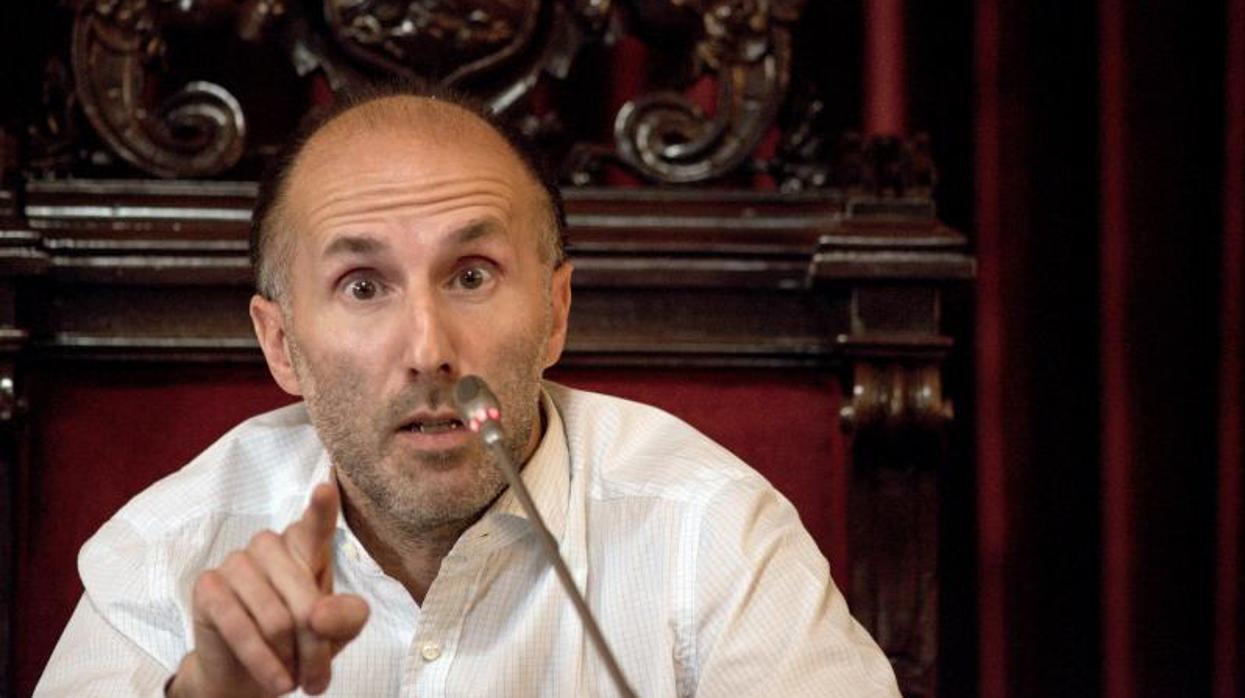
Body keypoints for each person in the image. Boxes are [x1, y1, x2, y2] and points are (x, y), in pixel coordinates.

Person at [35, 89, 901, 697]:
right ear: (281, 344)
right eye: (362, 286)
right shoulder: (167, 549)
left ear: (555, 314)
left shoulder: (710, 530)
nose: (429, 352)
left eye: (473, 275)